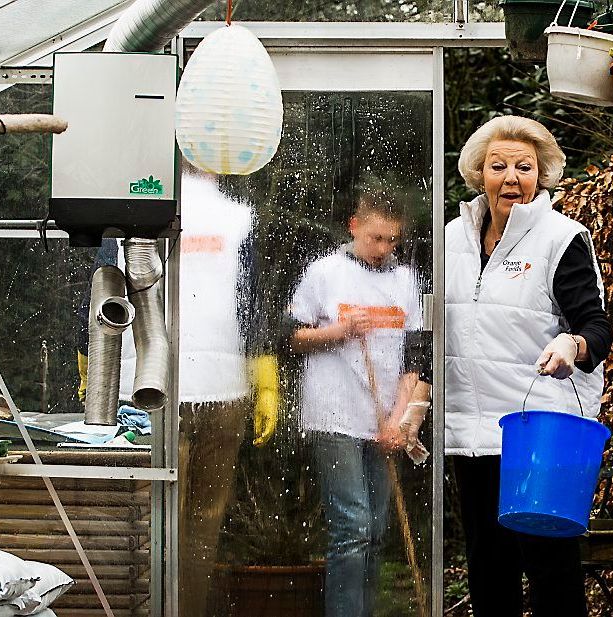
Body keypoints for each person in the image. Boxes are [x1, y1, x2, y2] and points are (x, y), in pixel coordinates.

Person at [76, 166, 279, 617]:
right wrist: (262, 363)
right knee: (195, 525)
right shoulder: (238, 215)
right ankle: (181, 608)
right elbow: (253, 295)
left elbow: (102, 286)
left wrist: (90, 358)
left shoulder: (132, 213)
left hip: (157, 385)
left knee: (151, 520)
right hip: (189, 388)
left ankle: (161, 609)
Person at [443, 115, 612, 617]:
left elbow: (598, 329)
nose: (511, 177)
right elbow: (432, 328)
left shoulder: (561, 239)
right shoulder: (451, 238)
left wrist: (571, 345)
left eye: (524, 166)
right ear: (479, 174)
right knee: (487, 567)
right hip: (468, 431)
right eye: (499, 166)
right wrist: (417, 398)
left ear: (542, 177)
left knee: (550, 569)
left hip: (538, 432)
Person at [287, 189, 423, 617]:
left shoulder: (404, 281)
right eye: (375, 238)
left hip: (384, 415)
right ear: (354, 227)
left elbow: (414, 355)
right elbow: (291, 337)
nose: (383, 249)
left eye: (392, 241)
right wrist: (340, 330)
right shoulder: (325, 272)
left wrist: (399, 421)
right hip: (334, 413)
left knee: (376, 529)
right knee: (353, 527)